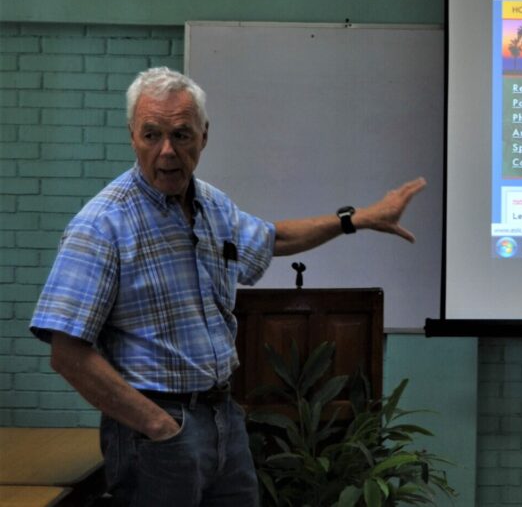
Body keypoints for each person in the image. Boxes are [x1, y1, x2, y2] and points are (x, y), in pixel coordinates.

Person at [29, 67, 426, 507]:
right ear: (132, 136)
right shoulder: (103, 224)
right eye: (151, 135)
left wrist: (356, 220)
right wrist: (158, 425)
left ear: (204, 136)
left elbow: (275, 239)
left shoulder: (213, 206)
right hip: (156, 429)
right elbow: (67, 354)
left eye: (181, 135)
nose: (166, 151)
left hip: (223, 419)